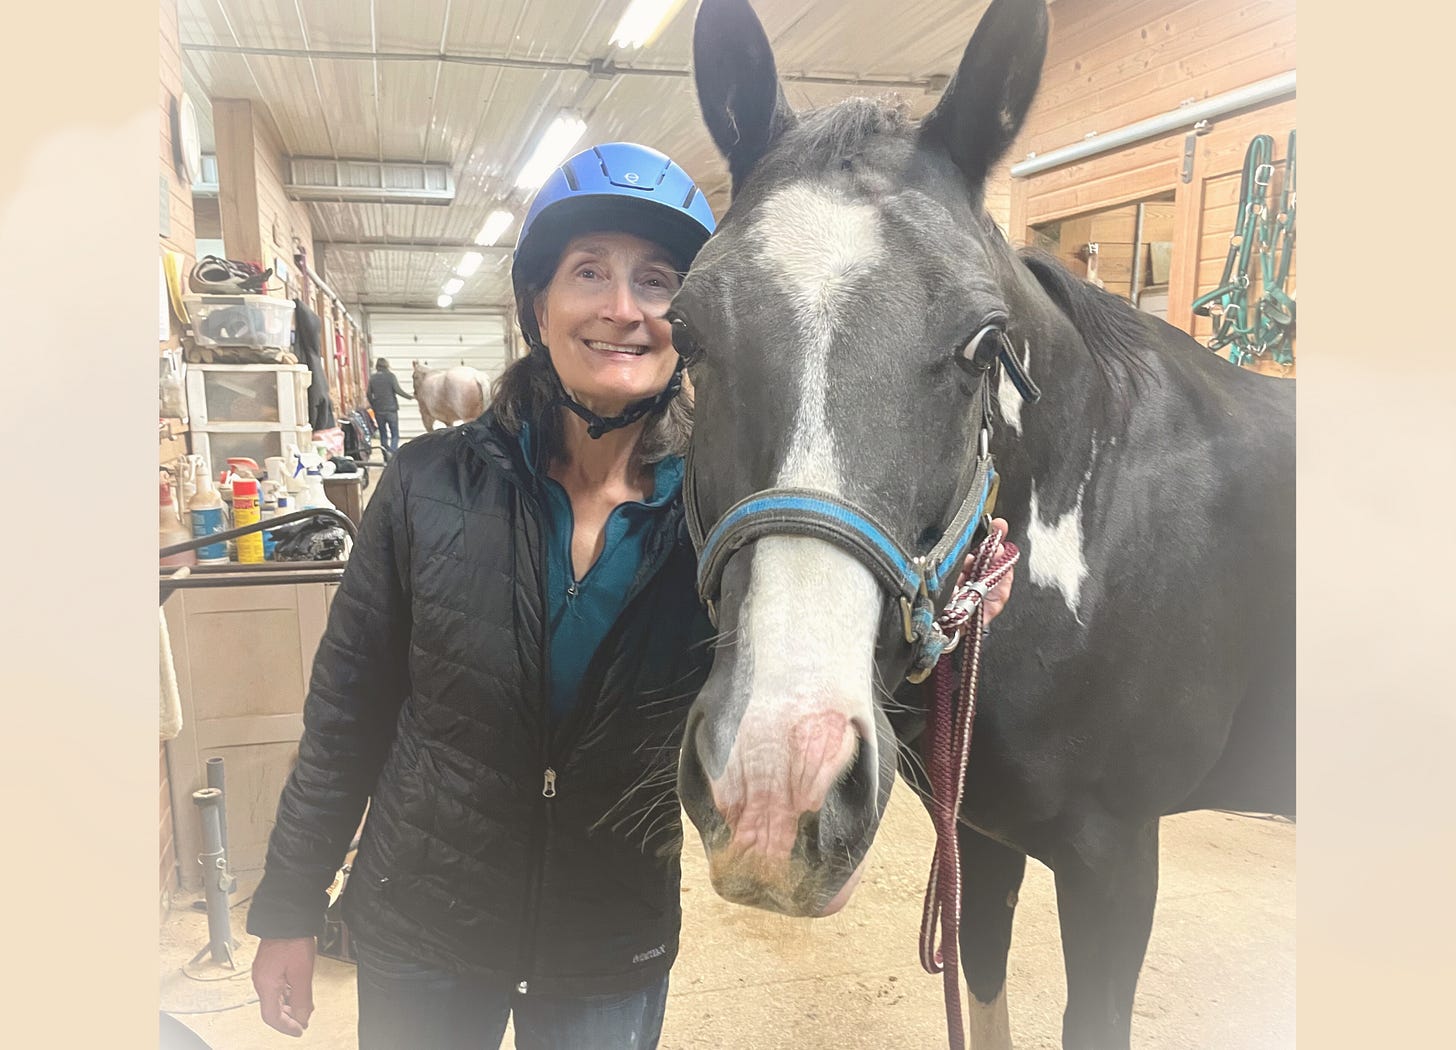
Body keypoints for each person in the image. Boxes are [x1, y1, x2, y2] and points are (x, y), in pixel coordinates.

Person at [247, 142, 1016, 1050]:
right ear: (538, 304)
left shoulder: (733, 524)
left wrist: (944, 626)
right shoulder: (424, 486)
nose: (622, 308)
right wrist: (288, 908)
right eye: (588, 274)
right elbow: (347, 716)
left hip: (604, 946)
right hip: (425, 930)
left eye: (655, 282)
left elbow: (821, 679)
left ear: (690, 321)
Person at [366, 358, 414, 460]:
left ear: (377, 366)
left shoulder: (373, 378)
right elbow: (398, 390)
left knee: (383, 435)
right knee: (395, 434)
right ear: (387, 365)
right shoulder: (391, 376)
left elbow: (368, 394)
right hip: (391, 410)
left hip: (379, 410)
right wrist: (410, 397)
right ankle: (392, 453)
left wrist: (373, 405)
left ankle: (385, 455)